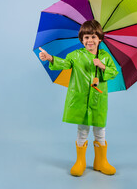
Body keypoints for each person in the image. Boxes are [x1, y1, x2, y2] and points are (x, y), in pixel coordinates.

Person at [39, 19, 118, 176]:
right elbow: (65, 64)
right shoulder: (75, 55)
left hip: (98, 100)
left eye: (93, 37)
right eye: (86, 37)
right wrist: (51, 58)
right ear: (82, 39)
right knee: (82, 129)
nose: (90, 40)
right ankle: (80, 161)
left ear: (100, 39)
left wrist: (102, 66)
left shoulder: (105, 57)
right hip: (80, 98)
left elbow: (113, 72)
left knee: (100, 129)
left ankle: (100, 161)